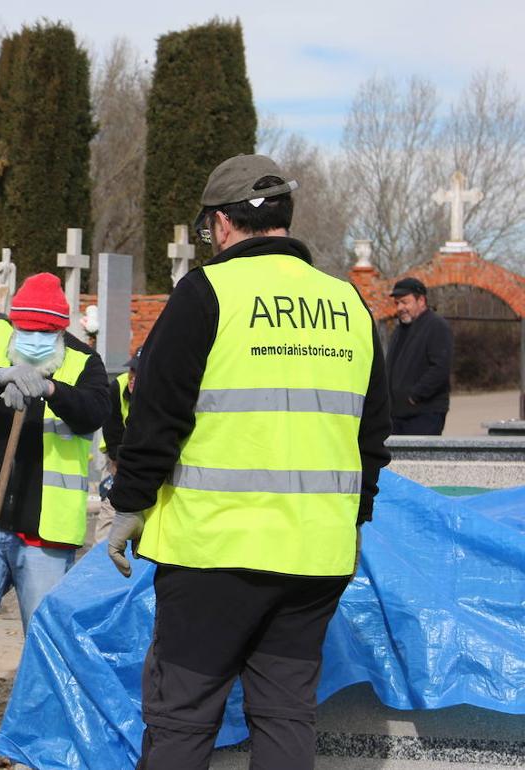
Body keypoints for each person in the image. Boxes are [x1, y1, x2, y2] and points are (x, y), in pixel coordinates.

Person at [106, 154, 391, 770]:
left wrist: (128, 506)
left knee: (183, 717)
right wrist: (352, 516)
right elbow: (374, 436)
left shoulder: (207, 293)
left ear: (221, 225)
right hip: (316, 555)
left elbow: (155, 417)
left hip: (214, 552)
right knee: (287, 716)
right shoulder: (348, 305)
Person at [0, 272, 110, 733]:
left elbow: (94, 413)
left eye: (45, 333)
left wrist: (52, 391)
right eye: (28, 331)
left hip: (44, 532)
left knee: (46, 644)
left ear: (61, 330)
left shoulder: (83, 362)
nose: (35, 340)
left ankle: (38, 745)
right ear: (15, 323)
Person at [387, 277, 452, 435]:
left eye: (404, 302)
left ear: (421, 300)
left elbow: (440, 368)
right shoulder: (400, 330)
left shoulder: (436, 326)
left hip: (425, 413)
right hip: (396, 415)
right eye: (397, 303)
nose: (400, 307)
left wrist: (415, 396)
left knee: (417, 459)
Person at [92, 345, 142, 544]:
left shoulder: (160, 391)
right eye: (132, 370)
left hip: (144, 460)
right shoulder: (117, 387)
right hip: (116, 459)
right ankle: (100, 558)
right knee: (110, 509)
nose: (133, 377)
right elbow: (111, 433)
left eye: (139, 372)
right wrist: (120, 465)